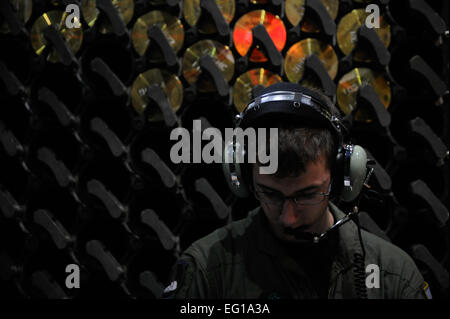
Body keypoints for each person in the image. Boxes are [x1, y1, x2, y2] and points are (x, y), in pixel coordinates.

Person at [162, 83, 430, 299]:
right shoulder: (206, 269)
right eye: (271, 194)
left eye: (307, 195)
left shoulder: (393, 275)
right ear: (243, 176)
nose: (289, 218)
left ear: (340, 178)